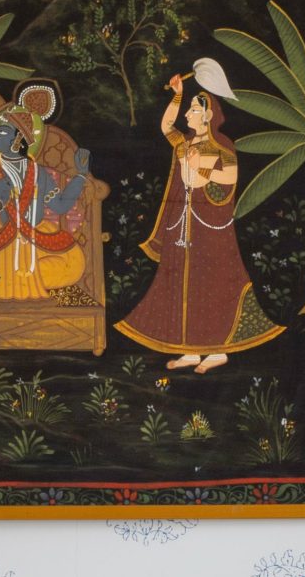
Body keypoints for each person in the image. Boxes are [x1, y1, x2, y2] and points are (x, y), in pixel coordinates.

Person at [116, 72, 282, 372]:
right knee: (183, 285)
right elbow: (166, 126)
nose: (188, 114)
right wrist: (178, 95)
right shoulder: (185, 143)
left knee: (213, 285)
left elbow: (230, 178)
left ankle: (217, 351)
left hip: (210, 227)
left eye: (193, 109)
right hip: (183, 225)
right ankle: (190, 351)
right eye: (189, 108)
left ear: (208, 115)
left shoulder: (222, 145)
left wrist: (200, 170)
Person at [0, 84, 87, 300]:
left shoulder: (38, 172)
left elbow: (59, 206)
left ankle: (18, 276)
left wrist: (80, 176)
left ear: (18, 139)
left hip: (36, 236)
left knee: (73, 266)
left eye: (1, 132)